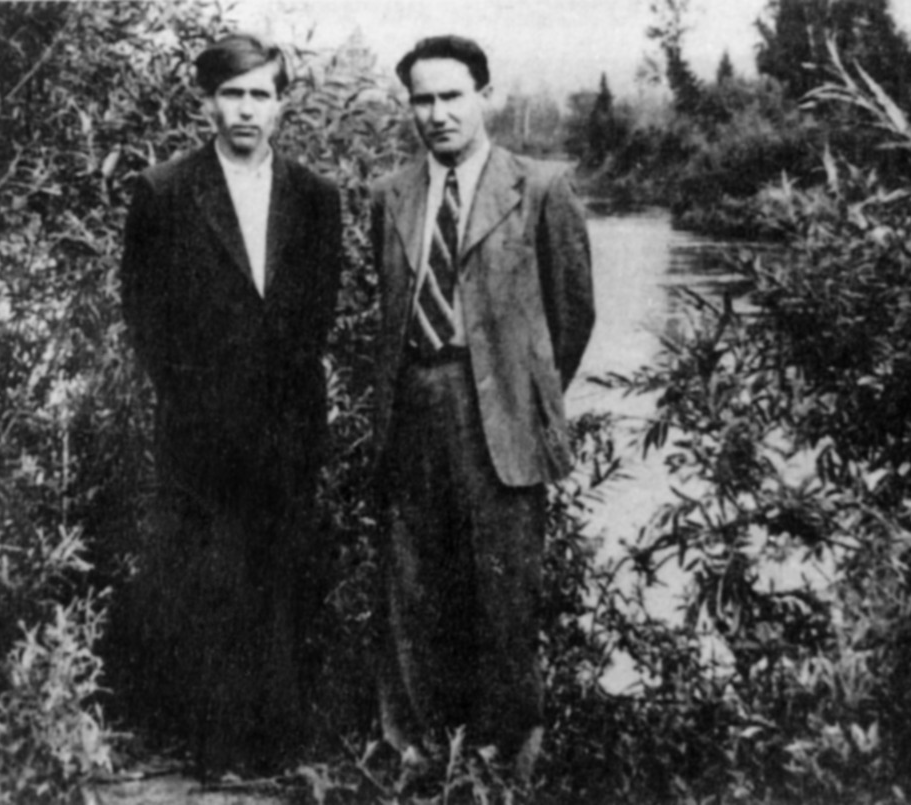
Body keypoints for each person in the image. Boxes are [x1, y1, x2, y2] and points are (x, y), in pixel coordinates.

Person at [370, 34, 595, 785]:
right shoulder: (391, 194)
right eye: (422, 100)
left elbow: (571, 315)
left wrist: (520, 391)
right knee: (412, 584)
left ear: (484, 96)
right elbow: (390, 306)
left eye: (452, 96)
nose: (437, 114)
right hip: (412, 401)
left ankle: (501, 762)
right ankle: (416, 752)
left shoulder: (541, 188)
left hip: (497, 411)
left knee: (501, 591)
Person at [120, 33, 341, 778]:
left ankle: (276, 744)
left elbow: (317, 312)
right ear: (206, 102)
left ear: (282, 104)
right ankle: (216, 749)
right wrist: (194, 398)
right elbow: (143, 314)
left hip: (287, 421)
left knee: (281, 569)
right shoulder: (163, 192)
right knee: (208, 575)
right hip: (198, 425)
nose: (246, 109)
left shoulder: (316, 197)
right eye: (232, 93)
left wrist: (285, 402)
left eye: (260, 94)